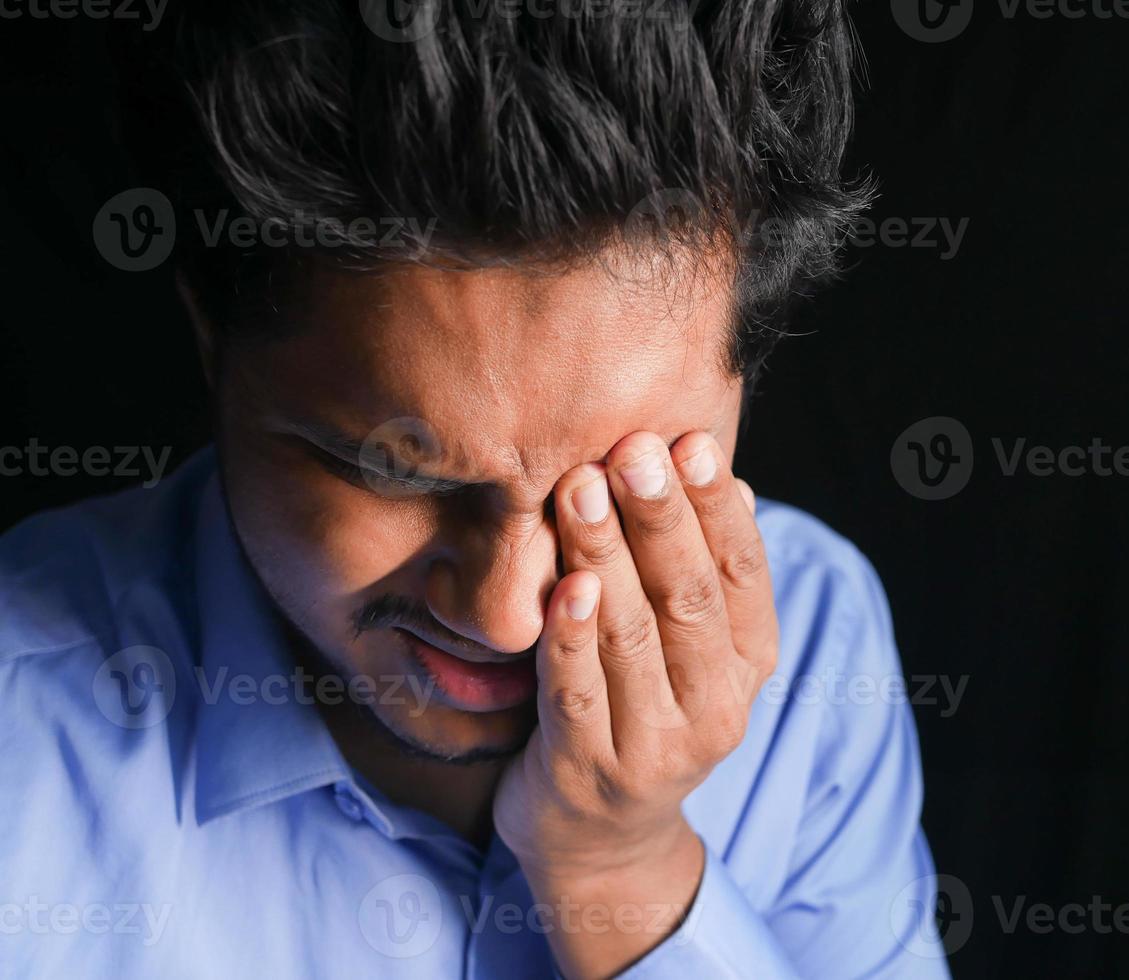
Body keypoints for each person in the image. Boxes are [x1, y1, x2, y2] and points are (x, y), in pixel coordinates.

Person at [0, 2, 948, 976]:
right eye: (391, 471)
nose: (506, 616)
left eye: (622, 479)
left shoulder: (814, 641)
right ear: (211, 335)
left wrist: (621, 866)